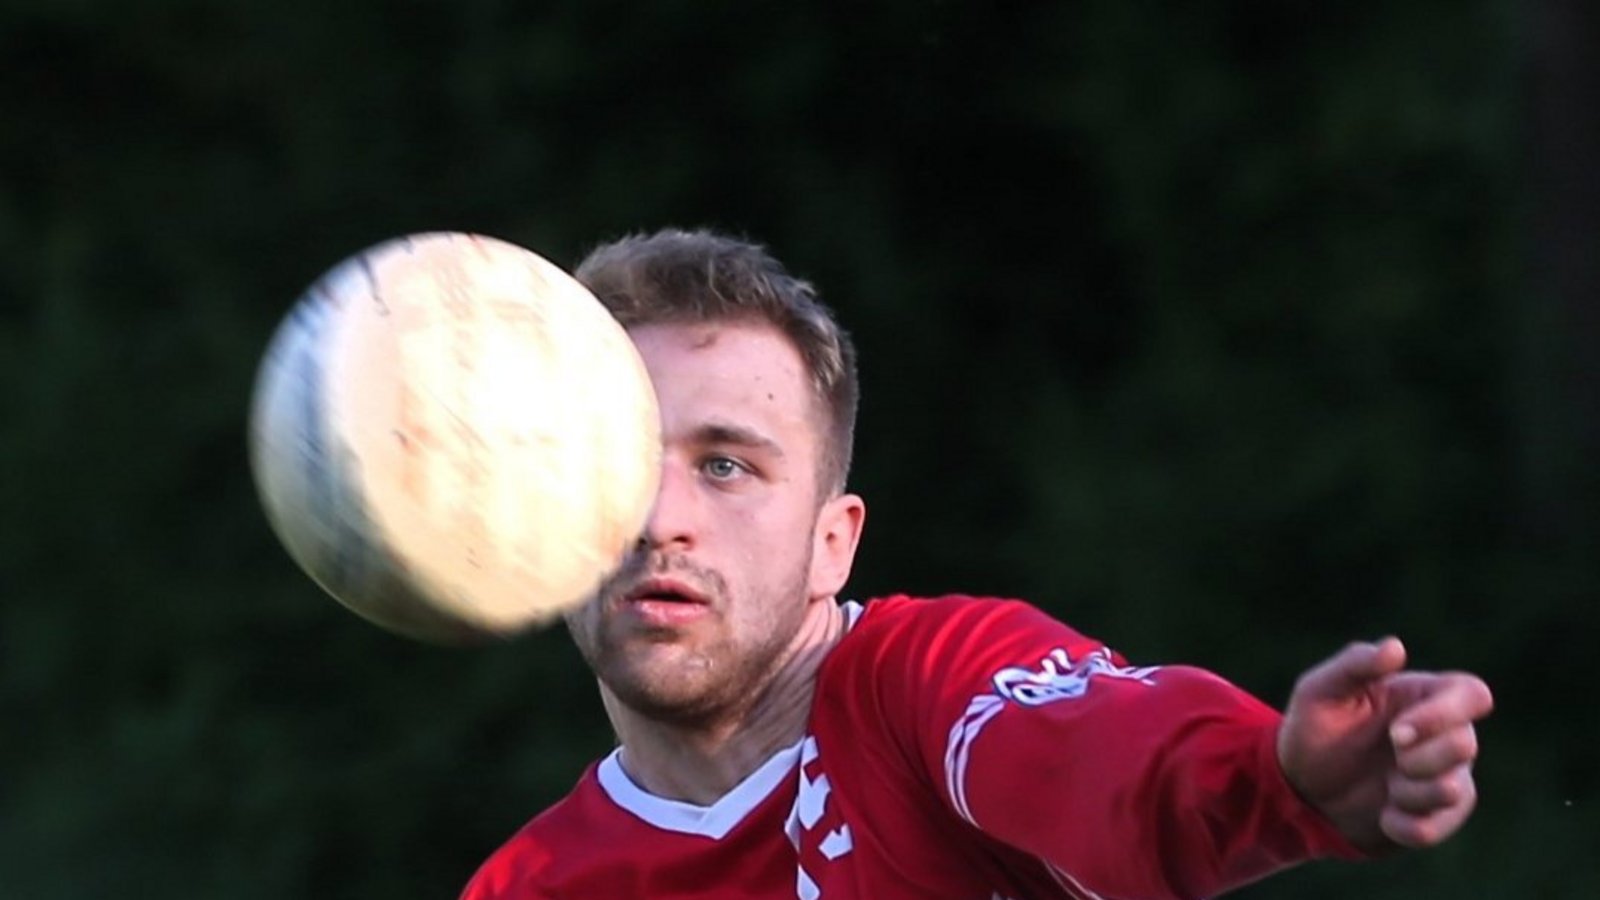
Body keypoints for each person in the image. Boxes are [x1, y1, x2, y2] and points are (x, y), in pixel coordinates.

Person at [460, 228, 1494, 900]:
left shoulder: (924, 687)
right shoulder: (528, 887)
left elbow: (1103, 759)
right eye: (614, 462)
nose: (658, 517)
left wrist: (1270, 779)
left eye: (725, 465)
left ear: (834, 544)